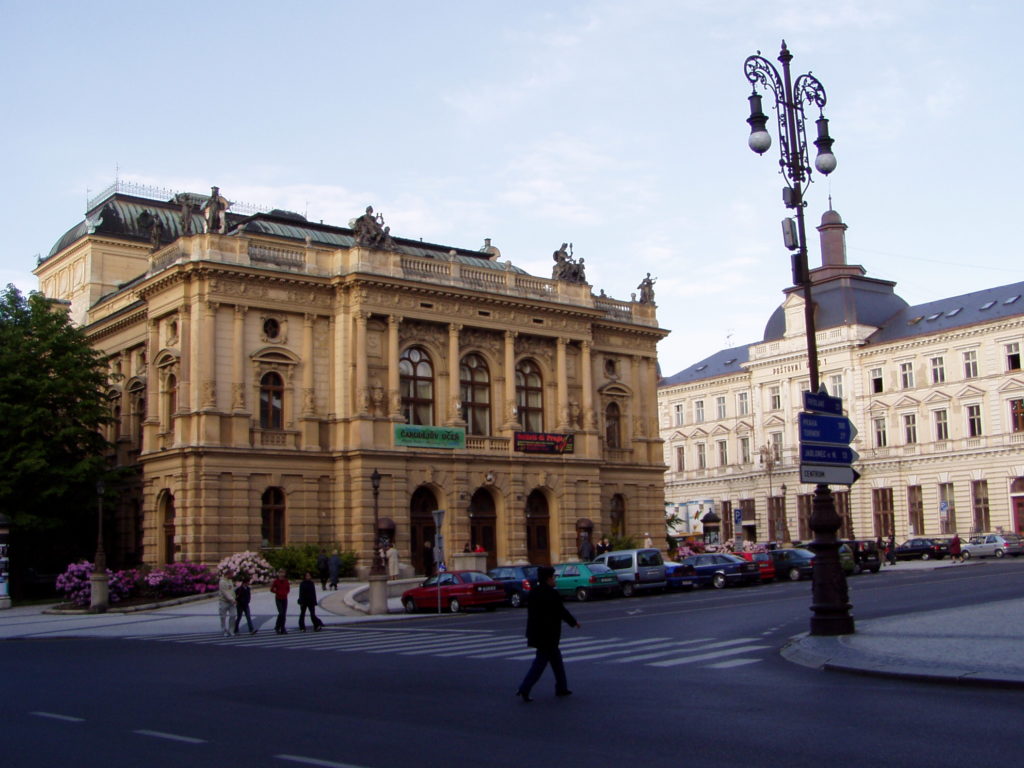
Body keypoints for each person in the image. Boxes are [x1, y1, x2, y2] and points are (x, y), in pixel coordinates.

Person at [515, 565, 581, 702]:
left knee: (557, 662)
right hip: (548, 635)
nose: (555, 579)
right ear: (548, 579)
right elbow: (560, 610)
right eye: (553, 577)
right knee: (540, 664)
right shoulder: (551, 593)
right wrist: (573, 622)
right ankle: (524, 689)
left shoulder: (534, 592)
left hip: (538, 634)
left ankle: (562, 688)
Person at [270, 568, 290, 634]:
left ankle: (282, 628)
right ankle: (277, 626)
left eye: (283, 573)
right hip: (278, 598)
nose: (282, 574)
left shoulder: (286, 581)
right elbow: (272, 589)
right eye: (280, 573)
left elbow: (288, 589)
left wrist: (285, 593)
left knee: (284, 614)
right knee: (281, 613)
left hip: (284, 598)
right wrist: (277, 592)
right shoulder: (276, 581)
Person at [217, 571, 236, 637]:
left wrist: (234, 598)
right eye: (232, 574)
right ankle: (224, 630)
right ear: (228, 574)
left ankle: (231, 630)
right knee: (223, 617)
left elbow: (232, 590)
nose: (233, 575)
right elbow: (225, 592)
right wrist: (232, 599)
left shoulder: (230, 581)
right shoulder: (222, 582)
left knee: (233, 615)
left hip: (232, 602)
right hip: (224, 601)